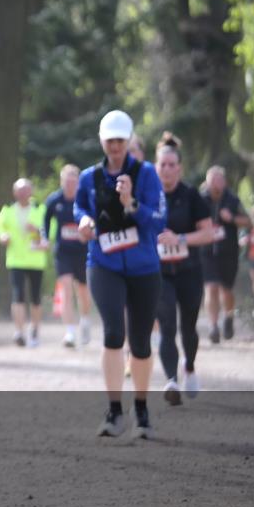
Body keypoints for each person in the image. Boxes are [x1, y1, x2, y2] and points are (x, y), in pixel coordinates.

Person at [75, 109, 166, 438]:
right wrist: (84, 222)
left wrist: (131, 203)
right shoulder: (89, 177)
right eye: (109, 140)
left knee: (140, 341)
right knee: (113, 333)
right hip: (104, 264)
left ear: (128, 141)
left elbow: (158, 222)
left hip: (143, 267)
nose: (114, 146)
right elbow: (81, 207)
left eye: (120, 140)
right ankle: (114, 412)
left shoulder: (147, 175)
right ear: (102, 141)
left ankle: (140, 410)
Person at [153, 133, 214, 406]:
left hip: (189, 270)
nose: (166, 169)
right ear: (156, 167)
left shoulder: (191, 196)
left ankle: (189, 366)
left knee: (188, 328)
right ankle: (171, 380)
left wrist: (179, 239)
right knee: (167, 326)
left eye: (171, 165)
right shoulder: (148, 196)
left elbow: (208, 233)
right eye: (162, 164)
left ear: (179, 168)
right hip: (159, 272)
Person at [43, 164, 93, 347]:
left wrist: (88, 231)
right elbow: (45, 220)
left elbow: (94, 220)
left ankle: (85, 321)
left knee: (82, 290)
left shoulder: (85, 200)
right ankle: (70, 332)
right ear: (62, 182)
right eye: (67, 181)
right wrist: (45, 237)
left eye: (74, 181)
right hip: (63, 252)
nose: (71, 185)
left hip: (82, 251)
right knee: (66, 288)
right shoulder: (54, 200)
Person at [200, 166, 250, 343]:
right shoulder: (200, 199)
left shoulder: (233, 200)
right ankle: (213, 327)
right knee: (211, 287)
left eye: (219, 180)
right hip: (206, 251)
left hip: (228, 252)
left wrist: (232, 219)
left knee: (226, 290)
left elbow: (248, 221)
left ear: (224, 182)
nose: (216, 184)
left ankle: (228, 317)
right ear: (207, 182)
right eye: (212, 180)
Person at [0, 179, 48, 347]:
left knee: (36, 298)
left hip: (35, 260)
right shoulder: (7, 210)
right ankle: (19, 331)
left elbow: (50, 231)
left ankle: (35, 330)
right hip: (15, 259)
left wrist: (37, 231)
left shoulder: (41, 210)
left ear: (31, 191)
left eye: (26, 189)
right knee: (18, 296)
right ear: (14, 193)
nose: (23, 193)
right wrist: (2, 236)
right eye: (20, 190)